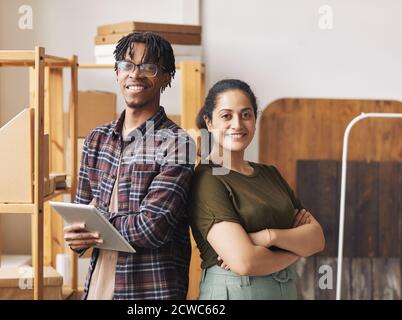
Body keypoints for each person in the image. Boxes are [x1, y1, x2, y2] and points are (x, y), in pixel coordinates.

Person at [63, 32, 195, 300]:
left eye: (149, 67)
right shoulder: (96, 139)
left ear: (166, 76)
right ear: (117, 73)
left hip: (151, 291)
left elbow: (152, 228)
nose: (136, 74)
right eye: (127, 65)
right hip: (98, 286)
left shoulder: (178, 143)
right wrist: (77, 238)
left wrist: (95, 224)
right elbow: (80, 217)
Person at [189, 79, 325, 300]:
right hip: (235, 293)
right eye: (226, 116)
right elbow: (245, 261)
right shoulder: (208, 178)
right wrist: (297, 248)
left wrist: (268, 237)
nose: (237, 124)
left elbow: (317, 239)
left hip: (286, 292)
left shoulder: (270, 174)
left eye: (246, 114)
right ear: (209, 122)